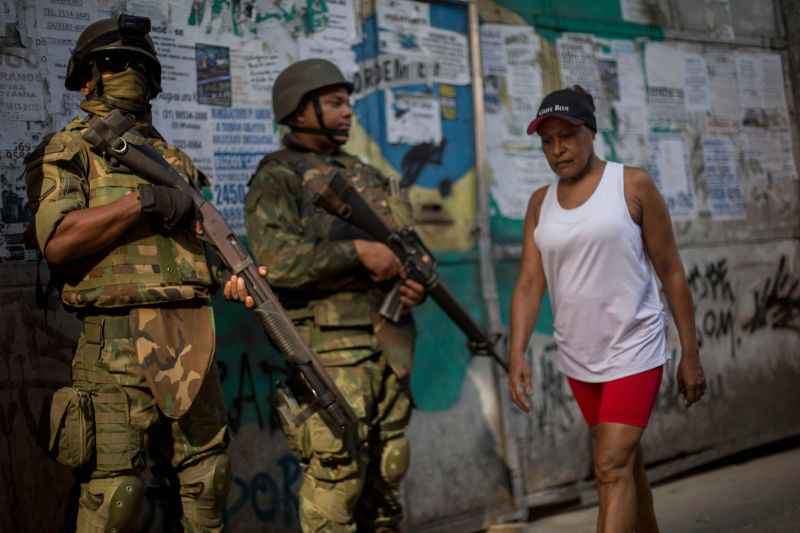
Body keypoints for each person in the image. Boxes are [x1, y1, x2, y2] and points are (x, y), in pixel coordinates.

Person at [25, 15, 234, 532]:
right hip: (115, 343)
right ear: (87, 77)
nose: (130, 74)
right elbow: (59, 241)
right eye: (116, 63)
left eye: (139, 64)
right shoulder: (70, 149)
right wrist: (141, 202)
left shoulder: (175, 162)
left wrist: (230, 278)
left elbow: (201, 250)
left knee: (209, 479)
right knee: (115, 494)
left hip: (191, 336)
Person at [229, 58, 425, 532]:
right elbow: (275, 262)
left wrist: (411, 281)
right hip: (328, 354)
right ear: (299, 110)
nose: (347, 112)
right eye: (335, 103)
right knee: (335, 483)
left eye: (348, 102)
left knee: (388, 473)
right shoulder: (278, 177)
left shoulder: (365, 173)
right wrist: (356, 252)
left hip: (388, 346)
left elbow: (406, 248)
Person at [507, 86, 706, 533]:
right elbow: (529, 281)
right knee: (625, 465)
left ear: (590, 133)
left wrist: (690, 353)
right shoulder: (540, 204)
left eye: (568, 136)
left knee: (609, 467)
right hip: (579, 357)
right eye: (547, 141)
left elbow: (671, 270)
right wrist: (516, 353)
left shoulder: (631, 185)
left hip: (634, 348)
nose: (558, 149)